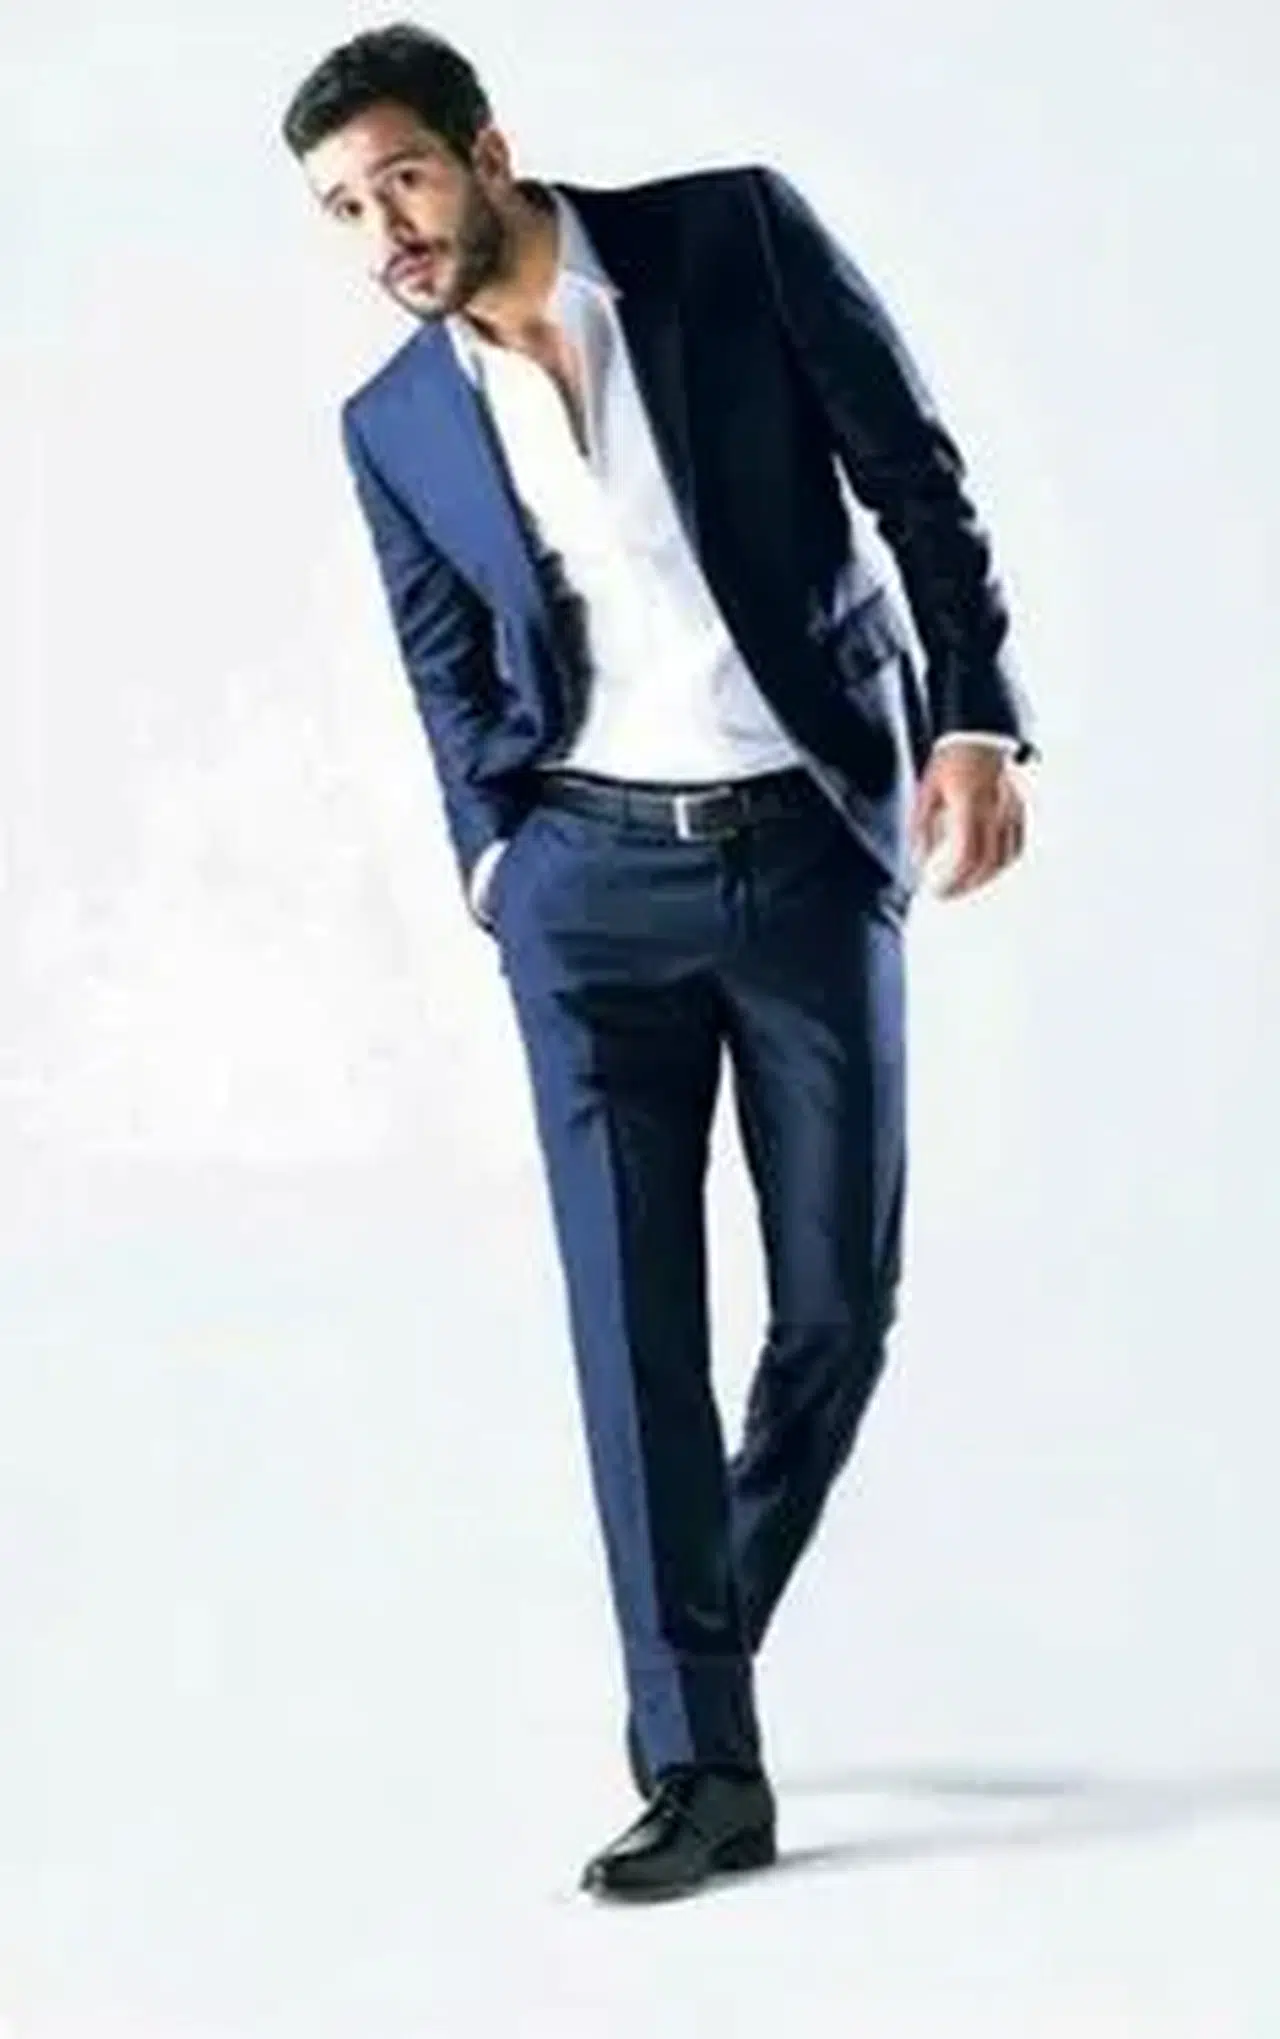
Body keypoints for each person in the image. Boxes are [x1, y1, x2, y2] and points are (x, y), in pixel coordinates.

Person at [281, 19, 1038, 1904]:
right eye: (344, 208)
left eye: (404, 176)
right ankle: (702, 1761)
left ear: (487, 149)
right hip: (587, 893)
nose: (384, 229)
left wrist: (973, 718)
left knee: (836, 1311)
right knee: (634, 1339)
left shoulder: (730, 241)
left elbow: (918, 483)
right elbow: (446, 668)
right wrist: (499, 865)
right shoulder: (391, 423)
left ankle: (691, 1649)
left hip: (805, 856)